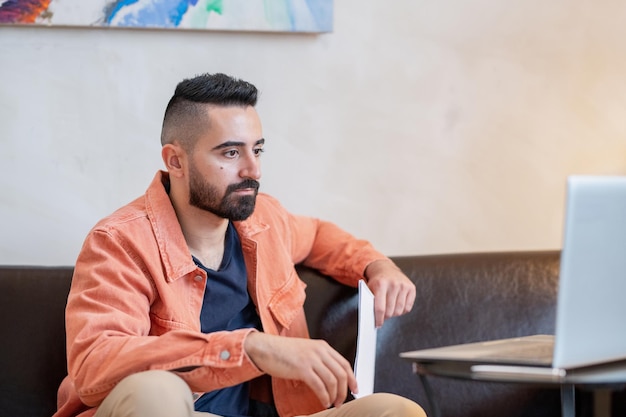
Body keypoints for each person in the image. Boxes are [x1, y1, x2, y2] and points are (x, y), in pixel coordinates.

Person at [53, 73, 427, 417]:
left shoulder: (263, 221)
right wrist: (249, 348)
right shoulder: (119, 242)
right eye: (231, 153)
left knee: (395, 411)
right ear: (176, 161)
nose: (254, 170)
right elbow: (94, 362)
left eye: (258, 150)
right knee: (156, 390)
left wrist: (376, 266)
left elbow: (315, 236)